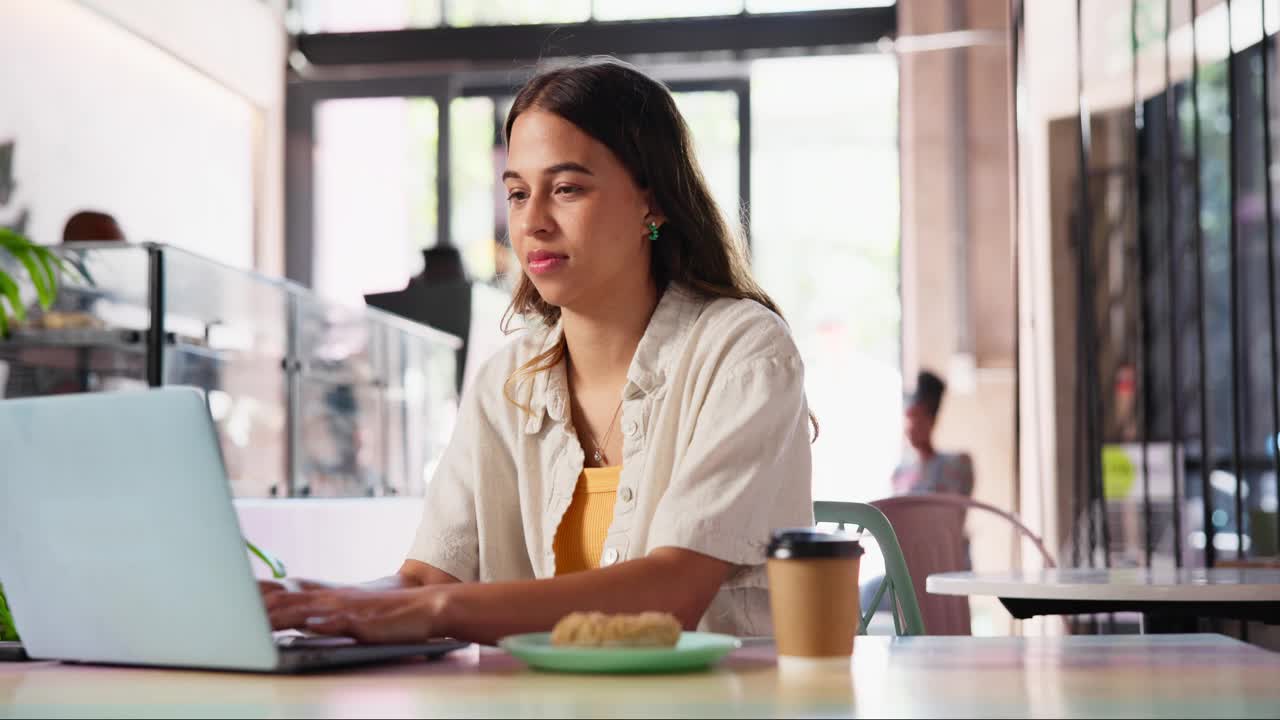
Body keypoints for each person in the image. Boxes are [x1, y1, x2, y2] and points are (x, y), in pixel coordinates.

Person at [261, 58, 815, 645]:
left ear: (652, 204)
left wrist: (444, 608)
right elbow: (427, 577)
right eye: (519, 193)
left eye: (568, 189)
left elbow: (673, 591)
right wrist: (312, 603)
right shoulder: (507, 380)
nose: (533, 223)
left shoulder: (744, 351)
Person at [891, 370, 974, 498]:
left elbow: (954, 512)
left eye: (918, 418)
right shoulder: (900, 473)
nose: (911, 427)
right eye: (909, 418)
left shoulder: (957, 464)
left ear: (931, 421)